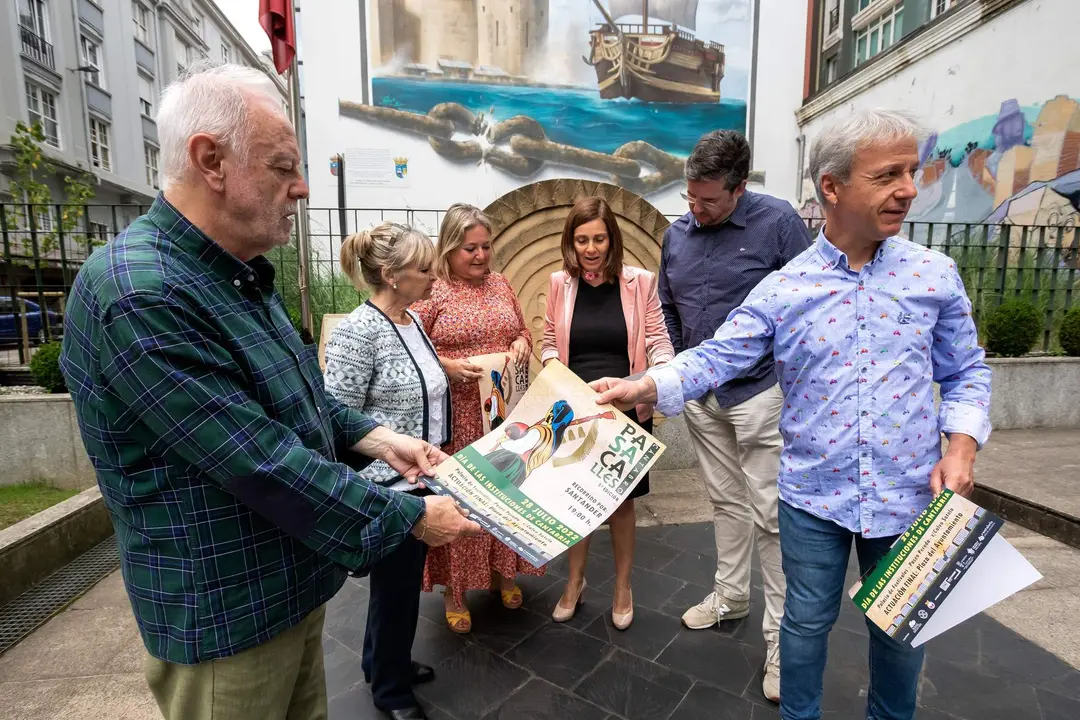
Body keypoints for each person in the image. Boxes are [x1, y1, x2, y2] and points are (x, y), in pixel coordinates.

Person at [58, 64, 480, 720]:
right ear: (211, 160)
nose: (303, 187)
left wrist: (375, 436)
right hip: (227, 622)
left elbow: (299, 402)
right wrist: (414, 518)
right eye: (283, 166)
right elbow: (257, 460)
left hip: (283, 593)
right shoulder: (142, 291)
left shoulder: (233, 277)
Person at [590, 109, 993, 720]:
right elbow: (719, 355)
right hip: (812, 498)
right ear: (832, 187)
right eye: (887, 175)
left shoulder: (933, 275)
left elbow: (966, 371)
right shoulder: (787, 286)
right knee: (805, 624)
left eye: (910, 171)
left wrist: (961, 449)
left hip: (912, 496)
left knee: (902, 635)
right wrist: (643, 385)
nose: (909, 188)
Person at [659, 129, 812, 700]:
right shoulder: (678, 234)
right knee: (724, 502)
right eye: (689, 198)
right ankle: (730, 595)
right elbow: (668, 307)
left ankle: (782, 642)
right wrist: (680, 368)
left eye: (709, 202)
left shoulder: (779, 223)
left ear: (740, 187)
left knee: (773, 517)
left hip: (762, 394)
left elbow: (808, 307)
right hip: (704, 396)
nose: (695, 211)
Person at [323, 222, 450, 720]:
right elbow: (339, 417)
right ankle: (391, 692)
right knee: (396, 590)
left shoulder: (411, 321)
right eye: (425, 268)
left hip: (421, 477)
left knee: (398, 587)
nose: (434, 275)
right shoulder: (359, 331)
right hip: (386, 487)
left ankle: (382, 662)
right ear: (393, 276)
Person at [541, 196, 674, 630]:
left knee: (620, 505)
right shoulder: (560, 283)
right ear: (571, 242)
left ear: (612, 238)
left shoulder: (640, 282)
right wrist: (550, 367)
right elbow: (548, 340)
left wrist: (662, 373)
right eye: (582, 239)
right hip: (574, 409)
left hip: (624, 406)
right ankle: (574, 583)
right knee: (573, 502)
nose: (591, 248)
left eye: (599, 238)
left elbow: (656, 337)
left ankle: (622, 586)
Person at [413, 202, 541, 634]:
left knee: (504, 495)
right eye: (470, 248)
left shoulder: (502, 285)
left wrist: (522, 343)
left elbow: (521, 330)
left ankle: (503, 573)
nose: (481, 256)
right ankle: (456, 590)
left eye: (486, 246)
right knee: (463, 503)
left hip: (502, 414)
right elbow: (411, 348)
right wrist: (447, 365)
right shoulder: (433, 292)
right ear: (448, 248)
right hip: (457, 417)